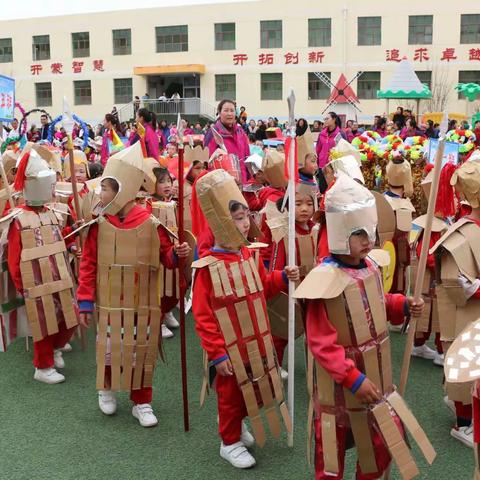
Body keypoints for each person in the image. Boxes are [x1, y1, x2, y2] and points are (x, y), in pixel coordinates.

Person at [296, 173, 432, 480]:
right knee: (330, 455)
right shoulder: (323, 281)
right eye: (359, 234)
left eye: (369, 232)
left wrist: (402, 305)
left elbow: (375, 303)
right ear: (341, 234)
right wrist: (353, 378)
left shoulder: (370, 266)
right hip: (341, 387)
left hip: (375, 380)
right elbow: (321, 344)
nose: (368, 241)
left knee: (379, 448)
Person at [77, 142, 191, 426]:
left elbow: (166, 257)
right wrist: (85, 300)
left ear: (123, 187)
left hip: (143, 300)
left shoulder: (151, 221)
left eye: (105, 187)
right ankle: (106, 386)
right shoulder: (98, 222)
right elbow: (88, 262)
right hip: (109, 299)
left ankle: (142, 400)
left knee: (142, 346)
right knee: (109, 344)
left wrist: (179, 256)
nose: (99, 192)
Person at [191, 169, 298, 469]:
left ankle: (236, 425)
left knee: (253, 389)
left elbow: (261, 285)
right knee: (231, 397)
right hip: (229, 350)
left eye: (247, 216)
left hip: (255, 343)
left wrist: (282, 278)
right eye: (238, 218)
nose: (245, 223)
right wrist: (217, 353)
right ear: (220, 222)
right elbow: (203, 314)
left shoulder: (247, 255)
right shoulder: (208, 269)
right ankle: (229, 441)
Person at [5, 146, 79, 384]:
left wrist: (76, 232)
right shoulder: (17, 218)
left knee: (70, 316)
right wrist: (22, 285)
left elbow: (59, 238)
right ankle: (43, 366)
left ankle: (56, 348)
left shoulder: (53, 212)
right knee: (44, 323)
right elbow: (14, 256)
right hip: (35, 282)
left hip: (60, 276)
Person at [430, 160, 480, 448]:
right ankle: (463, 424)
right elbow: (456, 281)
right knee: (466, 364)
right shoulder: (461, 233)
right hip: (466, 315)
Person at [205, 99, 250, 184]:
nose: (229, 114)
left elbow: (247, 156)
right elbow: (207, 162)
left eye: (232, 110)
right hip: (223, 185)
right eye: (226, 110)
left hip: (243, 183)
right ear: (219, 112)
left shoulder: (240, 131)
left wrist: (249, 180)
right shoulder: (213, 133)